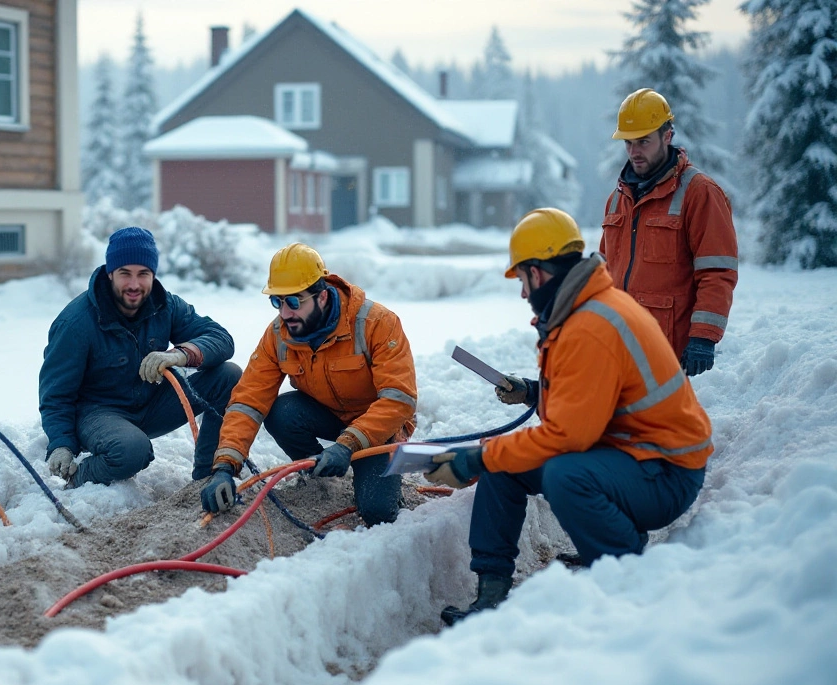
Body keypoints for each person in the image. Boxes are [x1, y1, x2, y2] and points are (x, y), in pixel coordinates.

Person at [426, 208, 711, 626]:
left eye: (522, 280)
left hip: (665, 474)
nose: (523, 293)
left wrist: (476, 457)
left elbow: (569, 437)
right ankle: (491, 593)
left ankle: (621, 568)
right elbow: (595, 398)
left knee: (561, 473)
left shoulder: (590, 326)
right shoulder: (584, 310)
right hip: (633, 457)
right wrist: (533, 391)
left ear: (538, 274)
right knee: (506, 465)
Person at [200, 243, 418, 526]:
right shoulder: (279, 334)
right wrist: (224, 467)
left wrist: (348, 444)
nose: (285, 313)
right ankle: (320, 477)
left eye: (294, 302)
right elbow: (248, 400)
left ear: (323, 297)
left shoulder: (376, 323)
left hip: (379, 427)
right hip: (327, 414)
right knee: (281, 412)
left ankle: (368, 476)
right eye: (277, 302)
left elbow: (399, 399)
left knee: (377, 514)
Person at [39, 227, 240, 487]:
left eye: (143, 274)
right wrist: (61, 444)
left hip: (152, 403)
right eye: (125, 274)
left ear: (153, 275)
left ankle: (207, 475)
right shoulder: (75, 322)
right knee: (132, 450)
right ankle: (79, 478)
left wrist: (181, 355)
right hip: (99, 414)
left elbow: (221, 339)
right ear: (110, 273)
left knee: (229, 376)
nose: (134, 284)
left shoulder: (165, 305)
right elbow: (55, 395)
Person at [601, 87, 737, 377]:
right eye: (628, 143)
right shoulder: (617, 198)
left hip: (667, 351)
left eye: (643, 142)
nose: (634, 152)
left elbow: (717, 271)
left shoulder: (699, 192)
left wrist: (704, 335)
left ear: (667, 136)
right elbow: (605, 272)